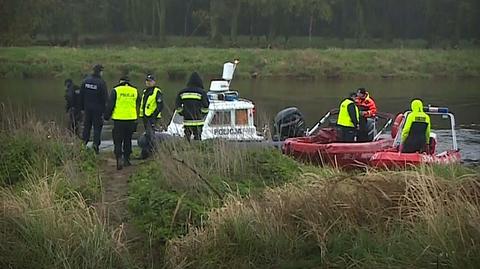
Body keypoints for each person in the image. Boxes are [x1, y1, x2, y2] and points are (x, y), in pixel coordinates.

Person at [104, 76, 139, 170]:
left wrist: (106, 116)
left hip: (119, 120)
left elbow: (110, 105)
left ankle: (119, 158)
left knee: (118, 140)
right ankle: (126, 160)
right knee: (128, 139)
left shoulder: (116, 90)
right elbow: (138, 103)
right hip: (131, 119)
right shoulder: (134, 91)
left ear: (120, 81)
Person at [80, 64, 108, 154]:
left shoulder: (85, 81)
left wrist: (82, 108)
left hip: (87, 109)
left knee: (86, 127)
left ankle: (83, 144)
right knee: (97, 129)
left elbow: (81, 95)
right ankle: (96, 146)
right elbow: (105, 98)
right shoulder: (101, 83)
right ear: (100, 72)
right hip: (98, 110)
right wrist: (105, 111)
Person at [175, 72, 210, 141]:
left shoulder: (182, 92)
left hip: (187, 120)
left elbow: (177, 105)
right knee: (198, 138)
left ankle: (187, 149)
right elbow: (206, 106)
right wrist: (202, 114)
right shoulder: (201, 92)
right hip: (198, 121)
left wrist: (182, 113)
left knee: (187, 138)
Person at [139, 74, 163, 159]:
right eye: (147, 81)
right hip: (145, 117)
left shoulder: (157, 91)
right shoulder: (145, 92)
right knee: (148, 135)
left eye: (150, 81)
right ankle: (146, 152)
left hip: (153, 117)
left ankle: (153, 153)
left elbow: (160, 105)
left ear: (154, 82)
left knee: (151, 135)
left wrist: (154, 115)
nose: (148, 83)